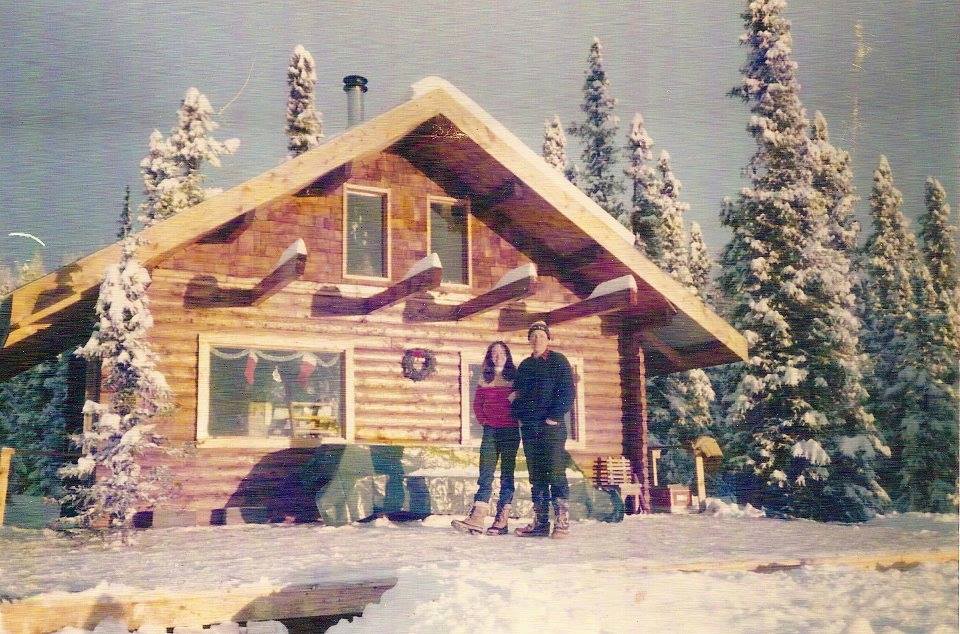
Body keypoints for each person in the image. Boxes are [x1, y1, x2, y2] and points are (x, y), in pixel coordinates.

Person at [511, 320, 575, 538]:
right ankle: (540, 523)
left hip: (551, 428)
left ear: (548, 339)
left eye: (541, 335)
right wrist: (521, 416)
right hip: (530, 429)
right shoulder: (525, 366)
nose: (537, 339)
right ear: (529, 340)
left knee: (555, 472)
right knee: (536, 476)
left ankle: (562, 523)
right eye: (534, 336)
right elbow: (517, 395)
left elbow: (567, 392)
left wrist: (554, 417)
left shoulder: (558, 361)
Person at [451, 341, 520, 535]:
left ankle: (502, 519)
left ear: (507, 356)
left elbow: (522, 401)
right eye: (494, 353)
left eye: (501, 353)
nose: (497, 356)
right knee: (486, 473)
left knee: (507, 475)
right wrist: (484, 421)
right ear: (489, 357)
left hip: (510, 431)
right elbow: (477, 404)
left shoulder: (515, 377)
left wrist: (515, 404)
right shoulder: (484, 377)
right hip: (491, 431)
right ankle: (477, 517)